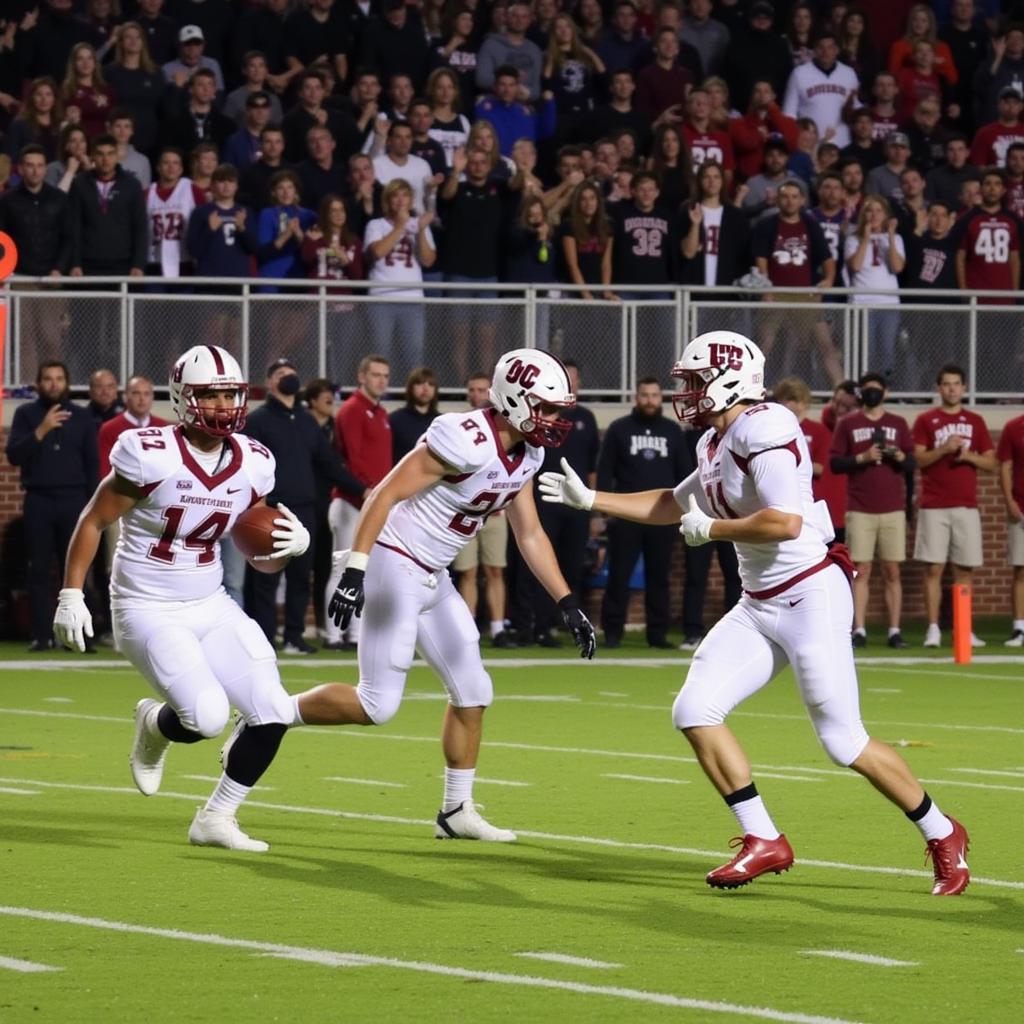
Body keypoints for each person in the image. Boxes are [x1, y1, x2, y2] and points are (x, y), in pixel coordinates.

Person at [537, 331, 971, 896]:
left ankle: (943, 832)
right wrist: (593, 500)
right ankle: (763, 838)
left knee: (843, 742)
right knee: (694, 709)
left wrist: (713, 529)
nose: (686, 393)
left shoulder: (765, 427)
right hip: (759, 601)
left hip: (810, 592)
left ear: (728, 380)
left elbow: (784, 522)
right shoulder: (713, 442)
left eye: (694, 382)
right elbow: (674, 502)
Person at [284, 348, 595, 842]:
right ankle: (273, 712)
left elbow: (530, 534)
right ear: (515, 400)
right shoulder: (465, 438)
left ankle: (455, 811)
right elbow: (384, 493)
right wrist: (357, 568)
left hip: (434, 572)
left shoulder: (529, 452)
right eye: (548, 407)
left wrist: (567, 601)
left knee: (474, 693)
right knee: (377, 704)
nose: (556, 420)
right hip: (395, 557)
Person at [52, 345, 309, 852]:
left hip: (209, 600)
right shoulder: (150, 453)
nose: (222, 405)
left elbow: (251, 532)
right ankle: (155, 723)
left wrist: (288, 540)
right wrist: (71, 592)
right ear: (184, 399)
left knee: (274, 708)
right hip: (145, 605)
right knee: (208, 719)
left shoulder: (254, 462)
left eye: (230, 394)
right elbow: (94, 519)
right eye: (210, 394)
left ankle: (216, 819)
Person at [243, 358, 365, 655]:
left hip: (305, 510)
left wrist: (363, 489)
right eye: (282, 374)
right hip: (270, 509)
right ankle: (265, 639)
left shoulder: (307, 419)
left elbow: (328, 463)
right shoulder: (257, 420)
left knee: (301, 577)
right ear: (270, 382)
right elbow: (247, 465)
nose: (289, 379)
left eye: (293, 374)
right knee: (266, 578)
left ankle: (294, 637)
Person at [5, 361, 98, 652]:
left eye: (59, 378)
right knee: (39, 570)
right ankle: (42, 635)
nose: (54, 384)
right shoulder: (26, 414)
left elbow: (92, 465)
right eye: (48, 379)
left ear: (67, 383)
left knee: (77, 570)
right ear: (38, 383)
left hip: (74, 502)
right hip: (39, 500)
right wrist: (40, 431)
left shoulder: (82, 417)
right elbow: (14, 456)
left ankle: (80, 636)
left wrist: (93, 505)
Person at [595, 377, 692, 649]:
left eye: (654, 395)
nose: (649, 400)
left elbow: (684, 474)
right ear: (636, 397)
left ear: (661, 398)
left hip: (663, 515)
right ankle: (612, 632)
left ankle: (657, 634)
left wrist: (683, 509)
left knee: (659, 576)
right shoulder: (619, 429)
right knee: (619, 574)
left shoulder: (673, 431)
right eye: (644, 395)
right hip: (626, 516)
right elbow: (605, 472)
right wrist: (603, 509)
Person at [912, 365, 997, 649]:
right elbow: (919, 460)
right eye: (946, 384)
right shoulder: (926, 419)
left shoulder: (975, 420)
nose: (951, 389)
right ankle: (933, 629)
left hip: (966, 505)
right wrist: (944, 450)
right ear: (939, 388)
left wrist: (968, 455)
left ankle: (965, 628)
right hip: (934, 505)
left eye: (956, 384)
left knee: (965, 569)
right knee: (933, 569)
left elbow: (991, 462)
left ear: (963, 388)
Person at [830, 372, 914, 648]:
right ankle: (859, 630)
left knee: (892, 570)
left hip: (892, 507)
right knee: (861, 570)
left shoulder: (898, 423)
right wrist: (862, 458)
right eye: (867, 390)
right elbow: (835, 463)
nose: (872, 394)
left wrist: (900, 457)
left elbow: (912, 464)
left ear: (886, 393)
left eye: (876, 390)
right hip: (860, 507)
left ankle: (894, 630)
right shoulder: (848, 423)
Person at [323, 355, 391, 650]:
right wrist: (372, 491)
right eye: (375, 374)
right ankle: (335, 634)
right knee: (343, 569)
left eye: (385, 376)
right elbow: (353, 460)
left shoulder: (381, 413)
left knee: (362, 570)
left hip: (371, 501)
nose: (381, 380)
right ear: (361, 377)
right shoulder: (352, 410)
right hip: (352, 501)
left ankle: (354, 634)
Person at [450, 373, 517, 649]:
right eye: (472, 389)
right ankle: (468, 631)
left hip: (496, 511)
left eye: (482, 389)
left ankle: (498, 628)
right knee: (466, 572)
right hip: (465, 510)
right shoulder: (461, 428)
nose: (477, 394)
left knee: (495, 570)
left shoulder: (508, 429)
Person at [782, 31, 860, 148]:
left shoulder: (849, 73)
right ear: (814, 51)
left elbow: (856, 108)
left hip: (843, 144)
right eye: (820, 47)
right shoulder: (799, 73)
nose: (825, 52)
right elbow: (789, 114)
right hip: (810, 144)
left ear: (837, 50)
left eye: (830, 47)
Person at [997, 407, 1024, 646]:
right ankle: (1019, 627)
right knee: (1021, 569)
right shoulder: (1014, 427)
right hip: (1022, 508)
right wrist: (1010, 500)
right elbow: (1004, 466)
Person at [389, 366, 440, 463]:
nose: (425, 388)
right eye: (420, 383)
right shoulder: (395, 420)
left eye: (431, 384)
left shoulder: (441, 422)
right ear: (411, 388)